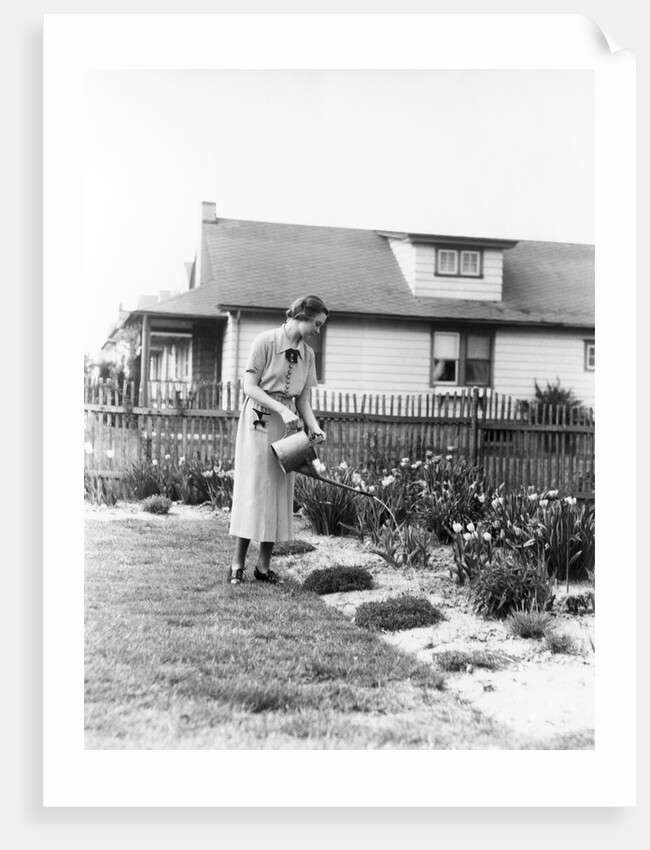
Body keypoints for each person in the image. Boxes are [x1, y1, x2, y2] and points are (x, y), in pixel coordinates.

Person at [227, 295, 329, 584]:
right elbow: (249, 387)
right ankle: (237, 565)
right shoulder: (266, 341)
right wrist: (282, 409)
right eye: (317, 324)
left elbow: (304, 400)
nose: (317, 331)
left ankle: (262, 567)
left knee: (278, 491)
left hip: (287, 427)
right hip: (259, 421)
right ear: (303, 315)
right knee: (255, 490)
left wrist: (314, 427)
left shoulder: (308, 355)